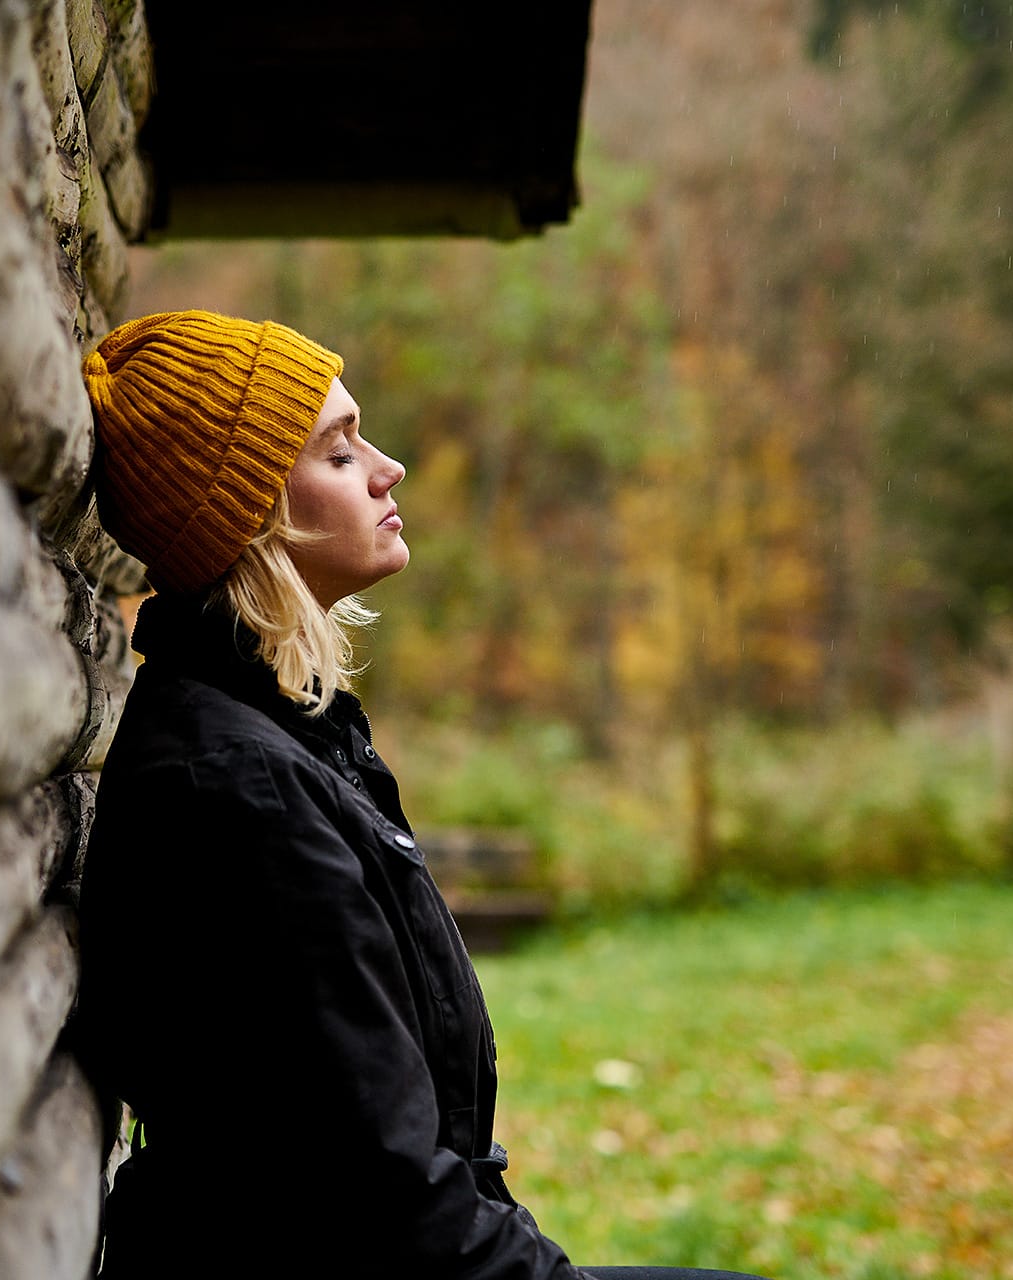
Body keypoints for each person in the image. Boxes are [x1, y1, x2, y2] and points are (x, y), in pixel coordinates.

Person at [74, 310, 766, 1280]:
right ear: (250, 510)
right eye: (339, 451)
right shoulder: (239, 792)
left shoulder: (284, 735)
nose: (388, 467)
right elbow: (390, 1203)